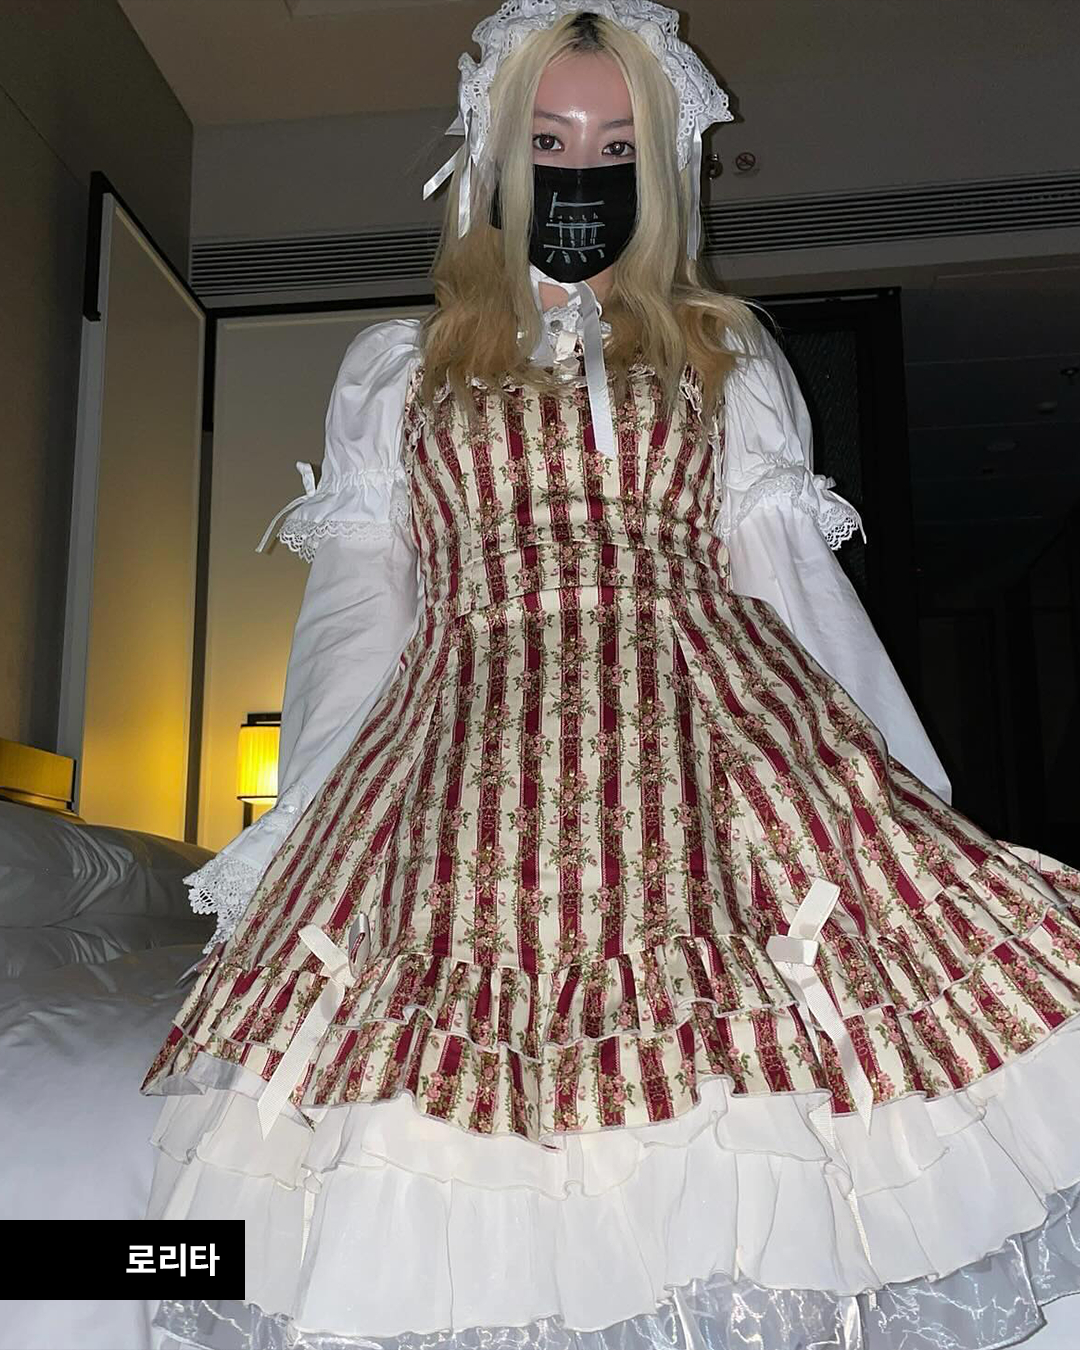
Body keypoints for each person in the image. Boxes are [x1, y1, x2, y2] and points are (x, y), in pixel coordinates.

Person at [141, 4, 1080, 1349]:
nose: (583, 168)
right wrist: (303, 830)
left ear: (663, 164)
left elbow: (795, 588)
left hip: (707, 750)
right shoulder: (395, 371)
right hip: (466, 771)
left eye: (617, 143)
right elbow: (356, 613)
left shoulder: (724, 356)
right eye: (550, 138)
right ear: (492, 151)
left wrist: (908, 807)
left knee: (746, 1101)